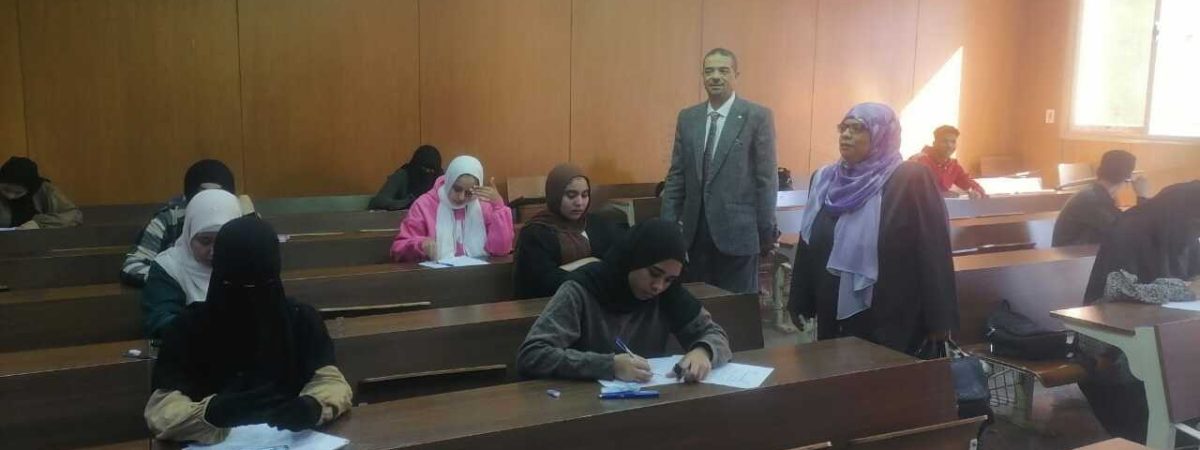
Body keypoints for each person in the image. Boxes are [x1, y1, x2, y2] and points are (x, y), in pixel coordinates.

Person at [144, 216, 352, 444]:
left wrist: (312, 406)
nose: (249, 298)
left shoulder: (300, 319)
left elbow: (333, 382)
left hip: (288, 442)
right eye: (235, 286)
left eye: (262, 286)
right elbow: (160, 410)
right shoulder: (187, 328)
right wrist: (211, 413)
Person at [787, 103, 958, 355]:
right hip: (832, 308)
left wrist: (939, 320)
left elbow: (934, 250)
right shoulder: (824, 179)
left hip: (890, 315)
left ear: (882, 135)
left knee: (882, 377)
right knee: (835, 371)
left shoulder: (910, 179)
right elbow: (808, 241)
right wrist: (800, 299)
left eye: (857, 129)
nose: (846, 135)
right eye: (844, 128)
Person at [517, 218, 732, 382]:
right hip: (581, 405)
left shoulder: (668, 292)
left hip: (648, 400)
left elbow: (715, 334)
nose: (658, 286)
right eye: (654, 273)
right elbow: (532, 354)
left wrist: (703, 351)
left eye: (669, 279)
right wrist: (608, 366)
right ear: (633, 259)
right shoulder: (582, 289)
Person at [1076, 181, 1200, 443]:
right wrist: (1185, 289)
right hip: (1112, 343)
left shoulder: (1181, 229)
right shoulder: (1130, 229)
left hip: (1166, 329)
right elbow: (1118, 289)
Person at [661, 48, 777, 295]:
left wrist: (766, 232)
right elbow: (676, 176)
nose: (715, 76)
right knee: (698, 305)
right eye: (709, 71)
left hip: (739, 235)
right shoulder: (688, 118)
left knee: (736, 309)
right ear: (703, 76)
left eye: (723, 70)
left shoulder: (757, 116)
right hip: (694, 235)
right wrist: (667, 229)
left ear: (736, 75)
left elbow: (766, 180)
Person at [140, 189, 243, 339]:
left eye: (223, 241)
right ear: (189, 234)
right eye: (205, 241)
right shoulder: (168, 267)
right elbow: (159, 321)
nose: (214, 251)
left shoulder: (247, 262)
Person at [121, 159, 238, 287]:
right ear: (188, 197)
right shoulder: (168, 219)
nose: (210, 200)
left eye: (218, 195)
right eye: (205, 240)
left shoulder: (242, 220)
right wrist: (176, 278)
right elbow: (132, 266)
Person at [513, 164, 622, 299]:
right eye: (571, 195)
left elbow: (617, 265)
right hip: (549, 304)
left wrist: (568, 269)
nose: (579, 202)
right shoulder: (536, 232)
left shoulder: (597, 224)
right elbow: (544, 283)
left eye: (585, 195)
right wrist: (592, 263)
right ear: (555, 195)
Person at [390, 155, 514, 262]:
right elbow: (398, 248)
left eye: (469, 193)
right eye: (457, 189)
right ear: (449, 181)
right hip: (434, 278)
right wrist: (420, 245)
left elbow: (501, 250)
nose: (461, 197)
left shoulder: (484, 206)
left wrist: (499, 207)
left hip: (478, 275)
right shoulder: (424, 205)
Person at [1052, 150, 1151, 247]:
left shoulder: (1094, 194)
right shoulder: (1092, 200)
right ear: (1128, 177)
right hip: (1077, 256)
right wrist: (1142, 196)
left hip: (1082, 254)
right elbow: (1129, 231)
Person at [0, 156, 82, 229]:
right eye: (6, 189)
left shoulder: (43, 189)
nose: (10, 196)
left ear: (30, 189)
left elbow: (73, 215)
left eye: (18, 192)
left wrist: (39, 223)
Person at [908, 125, 987, 199]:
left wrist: (977, 192)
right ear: (934, 143)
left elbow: (969, 183)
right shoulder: (919, 161)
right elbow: (911, 191)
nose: (949, 145)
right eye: (944, 141)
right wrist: (941, 194)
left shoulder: (953, 166)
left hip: (942, 207)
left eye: (953, 142)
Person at [369, 145, 444, 211]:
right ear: (416, 165)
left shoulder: (439, 178)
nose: (428, 172)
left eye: (432, 170)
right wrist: (407, 202)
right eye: (425, 168)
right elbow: (378, 201)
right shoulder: (403, 175)